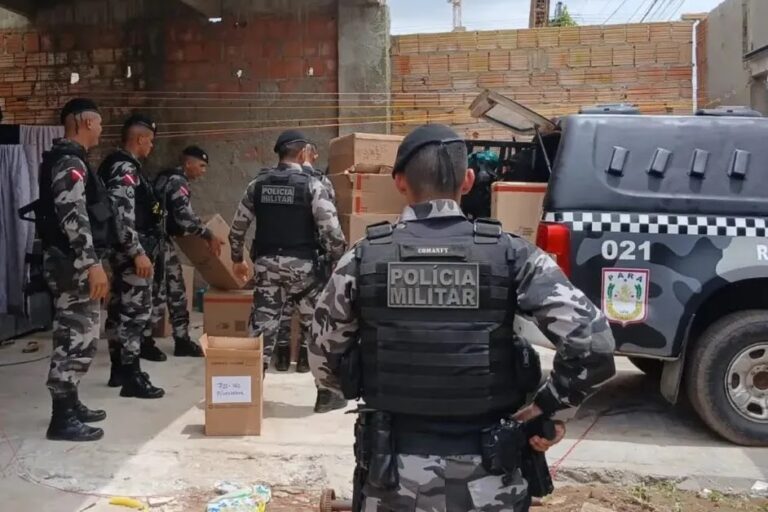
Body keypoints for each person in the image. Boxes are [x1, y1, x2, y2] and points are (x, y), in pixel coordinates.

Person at [309, 124, 617, 511]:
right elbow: (594, 342)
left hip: (392, 478)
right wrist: (548, 407)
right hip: (489, 479)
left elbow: (323, 360)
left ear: (399, 182)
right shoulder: (512, 255)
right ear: (468, 180)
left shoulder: (362, 258)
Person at [230, 130, 346, 393]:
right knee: (317, 329)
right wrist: (337, 261)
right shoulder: (312, 185)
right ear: (303, 153)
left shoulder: (257, 185)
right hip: (303, 271)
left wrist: (237, 258)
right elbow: (332, 233)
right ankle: (326, 393)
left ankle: (247, 394)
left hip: (266, 268)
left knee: (260, 331)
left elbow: (237, 229)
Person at [27, 98, 114, 441]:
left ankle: (71, 402)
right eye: (99, 122)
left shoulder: (71, 159)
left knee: (81, 336)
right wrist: (91, 263)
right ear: (86, 122)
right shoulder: (69, 162)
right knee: (75, 337)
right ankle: (61, 419)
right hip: (72, 263)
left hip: (72, 261)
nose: (101, 129)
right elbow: (72, 215)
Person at [99, 114, 165, 399]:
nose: (151, 146)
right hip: (130, 253)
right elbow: (122, 214)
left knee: (118, 311)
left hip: (123, 251)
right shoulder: (125, 168)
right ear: (140, 139)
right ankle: (132, 377)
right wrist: (137, 252)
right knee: (135, 315)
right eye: (150, 141)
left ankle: (120, 370)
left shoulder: (119, 165)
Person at [148, 145, 221, 360]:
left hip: (159, 241)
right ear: (188, 163)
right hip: (156, 243)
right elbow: (184, 218)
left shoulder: (165, 177)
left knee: (174, 288)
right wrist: (207, 234)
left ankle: (181, 340)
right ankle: (145, 342)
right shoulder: (177, 182)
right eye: (201, 166)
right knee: (159, 292)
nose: (203, 171)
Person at [273, 141, 337, 373]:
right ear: (308, 154)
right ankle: (302, 358)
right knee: (309, 308)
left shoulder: (275, 179)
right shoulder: (320, 181)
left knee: (283, 306)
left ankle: (282, 355)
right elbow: (329, 213)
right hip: (309, 254)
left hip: (278, 251)